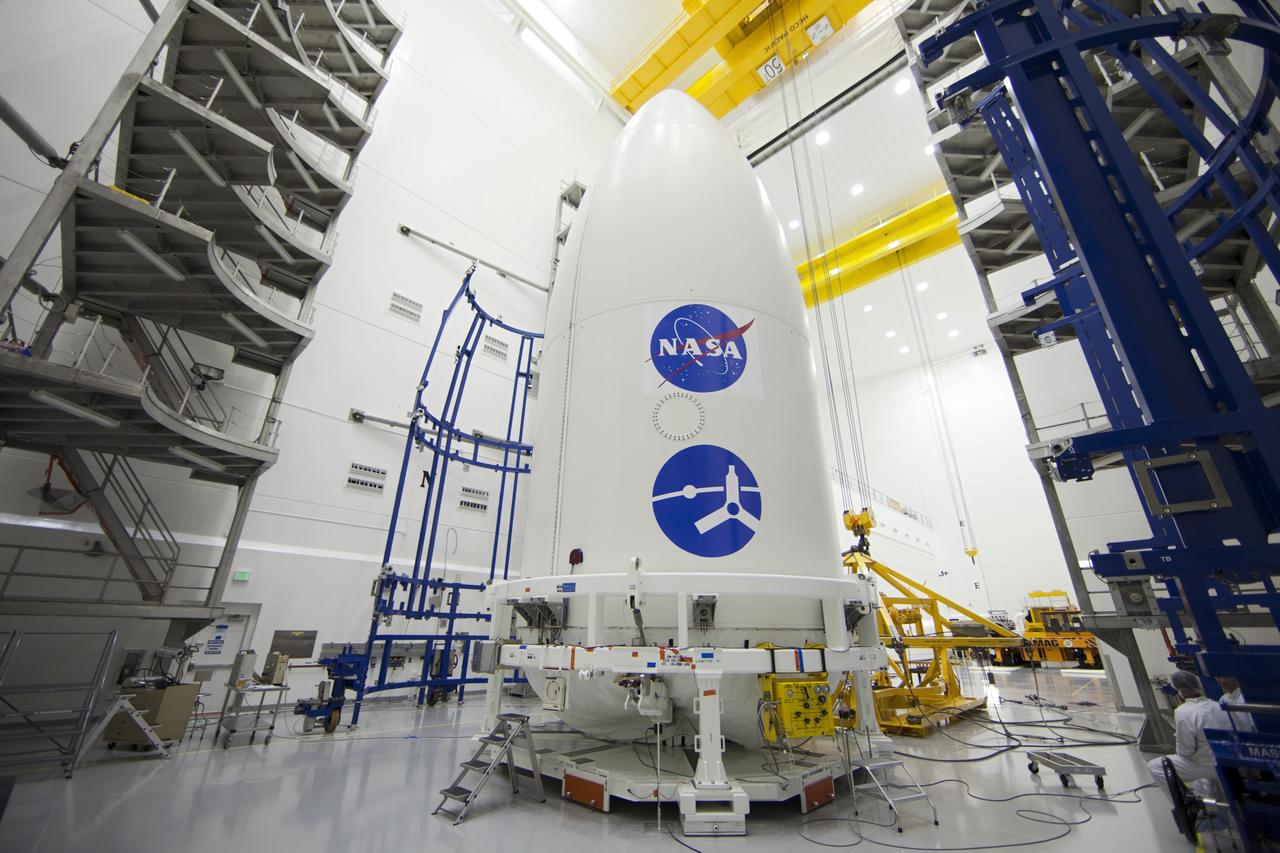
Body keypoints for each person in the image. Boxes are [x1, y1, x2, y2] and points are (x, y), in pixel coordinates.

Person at [1148, 670, 1230, 798]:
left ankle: (1186, 803)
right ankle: (1215, 797)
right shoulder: (1217, 705)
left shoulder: (1183, 712)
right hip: (1228, 761)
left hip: (1207, 765)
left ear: (1179, 691)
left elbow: (1186, 751)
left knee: (1155, 766)